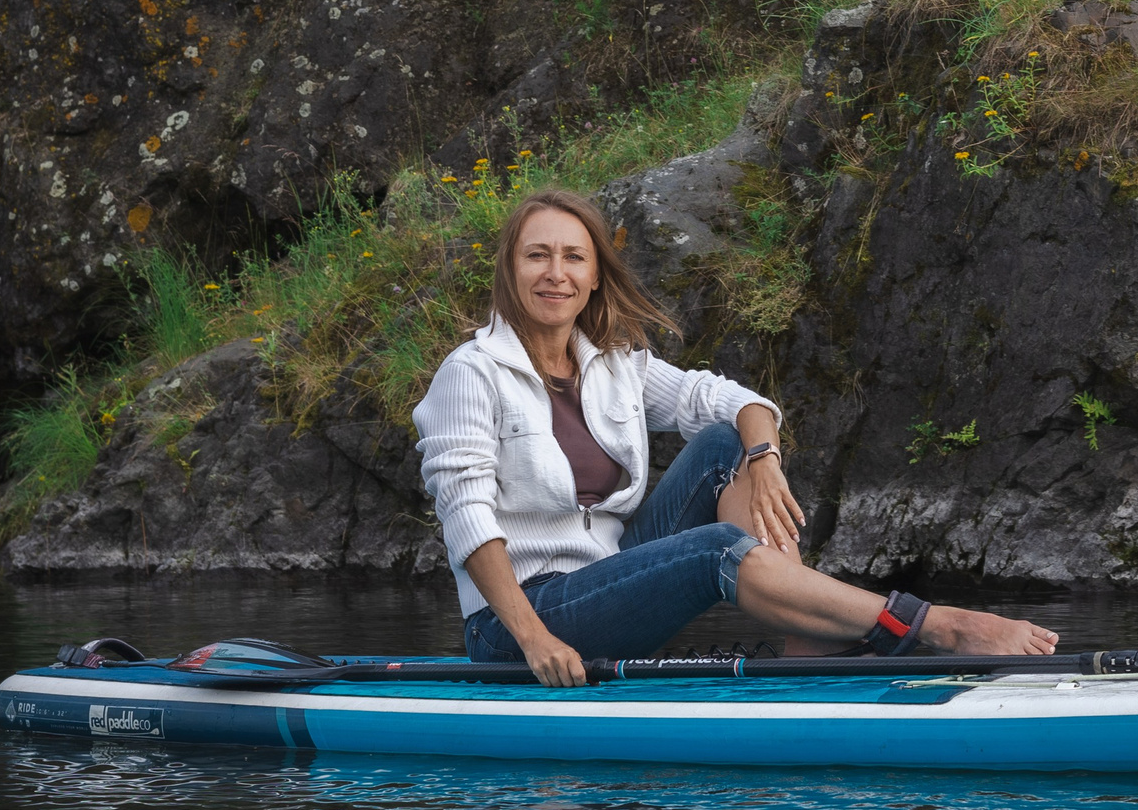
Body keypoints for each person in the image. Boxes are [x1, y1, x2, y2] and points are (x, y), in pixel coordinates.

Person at [413, 187, 1057, 685]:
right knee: (713, 550)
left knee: (727, 444)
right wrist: (533, 640)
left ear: (596, 276)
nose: (556, 272)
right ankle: (936, 625)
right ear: (511, 269)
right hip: (518, 622)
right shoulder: (471, 373)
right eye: (538, 255)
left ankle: (809, 641)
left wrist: (764, 459)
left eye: (573, 257)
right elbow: (466, 517)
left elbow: (737, 402)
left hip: (609, 584)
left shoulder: (614, 365)